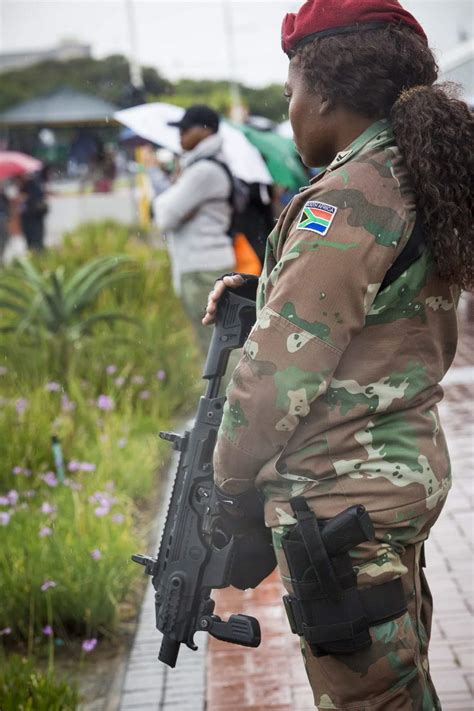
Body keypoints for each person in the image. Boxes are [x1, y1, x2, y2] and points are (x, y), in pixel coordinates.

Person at [203, 0, 474, 708]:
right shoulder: (413, 172)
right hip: (392, 482)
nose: (290, 111)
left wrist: (225, 480)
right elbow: (384, 307)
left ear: (322, 89)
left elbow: (270, 382)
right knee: (401, 683)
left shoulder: (347, 198)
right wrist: (263, 285)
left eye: (290, 92)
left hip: (340, 507)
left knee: (372, 700)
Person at [153, 104, 235, 355]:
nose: (181, 135)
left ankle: (226, 395)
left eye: (186, 129)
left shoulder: (203, 171)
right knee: (213, 343)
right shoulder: (199, 166)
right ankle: (224, 393)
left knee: (215, 347)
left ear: (205, 131)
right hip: (203, 267)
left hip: (203, 270)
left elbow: (164, 216)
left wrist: (168, 201)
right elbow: (172, 211)